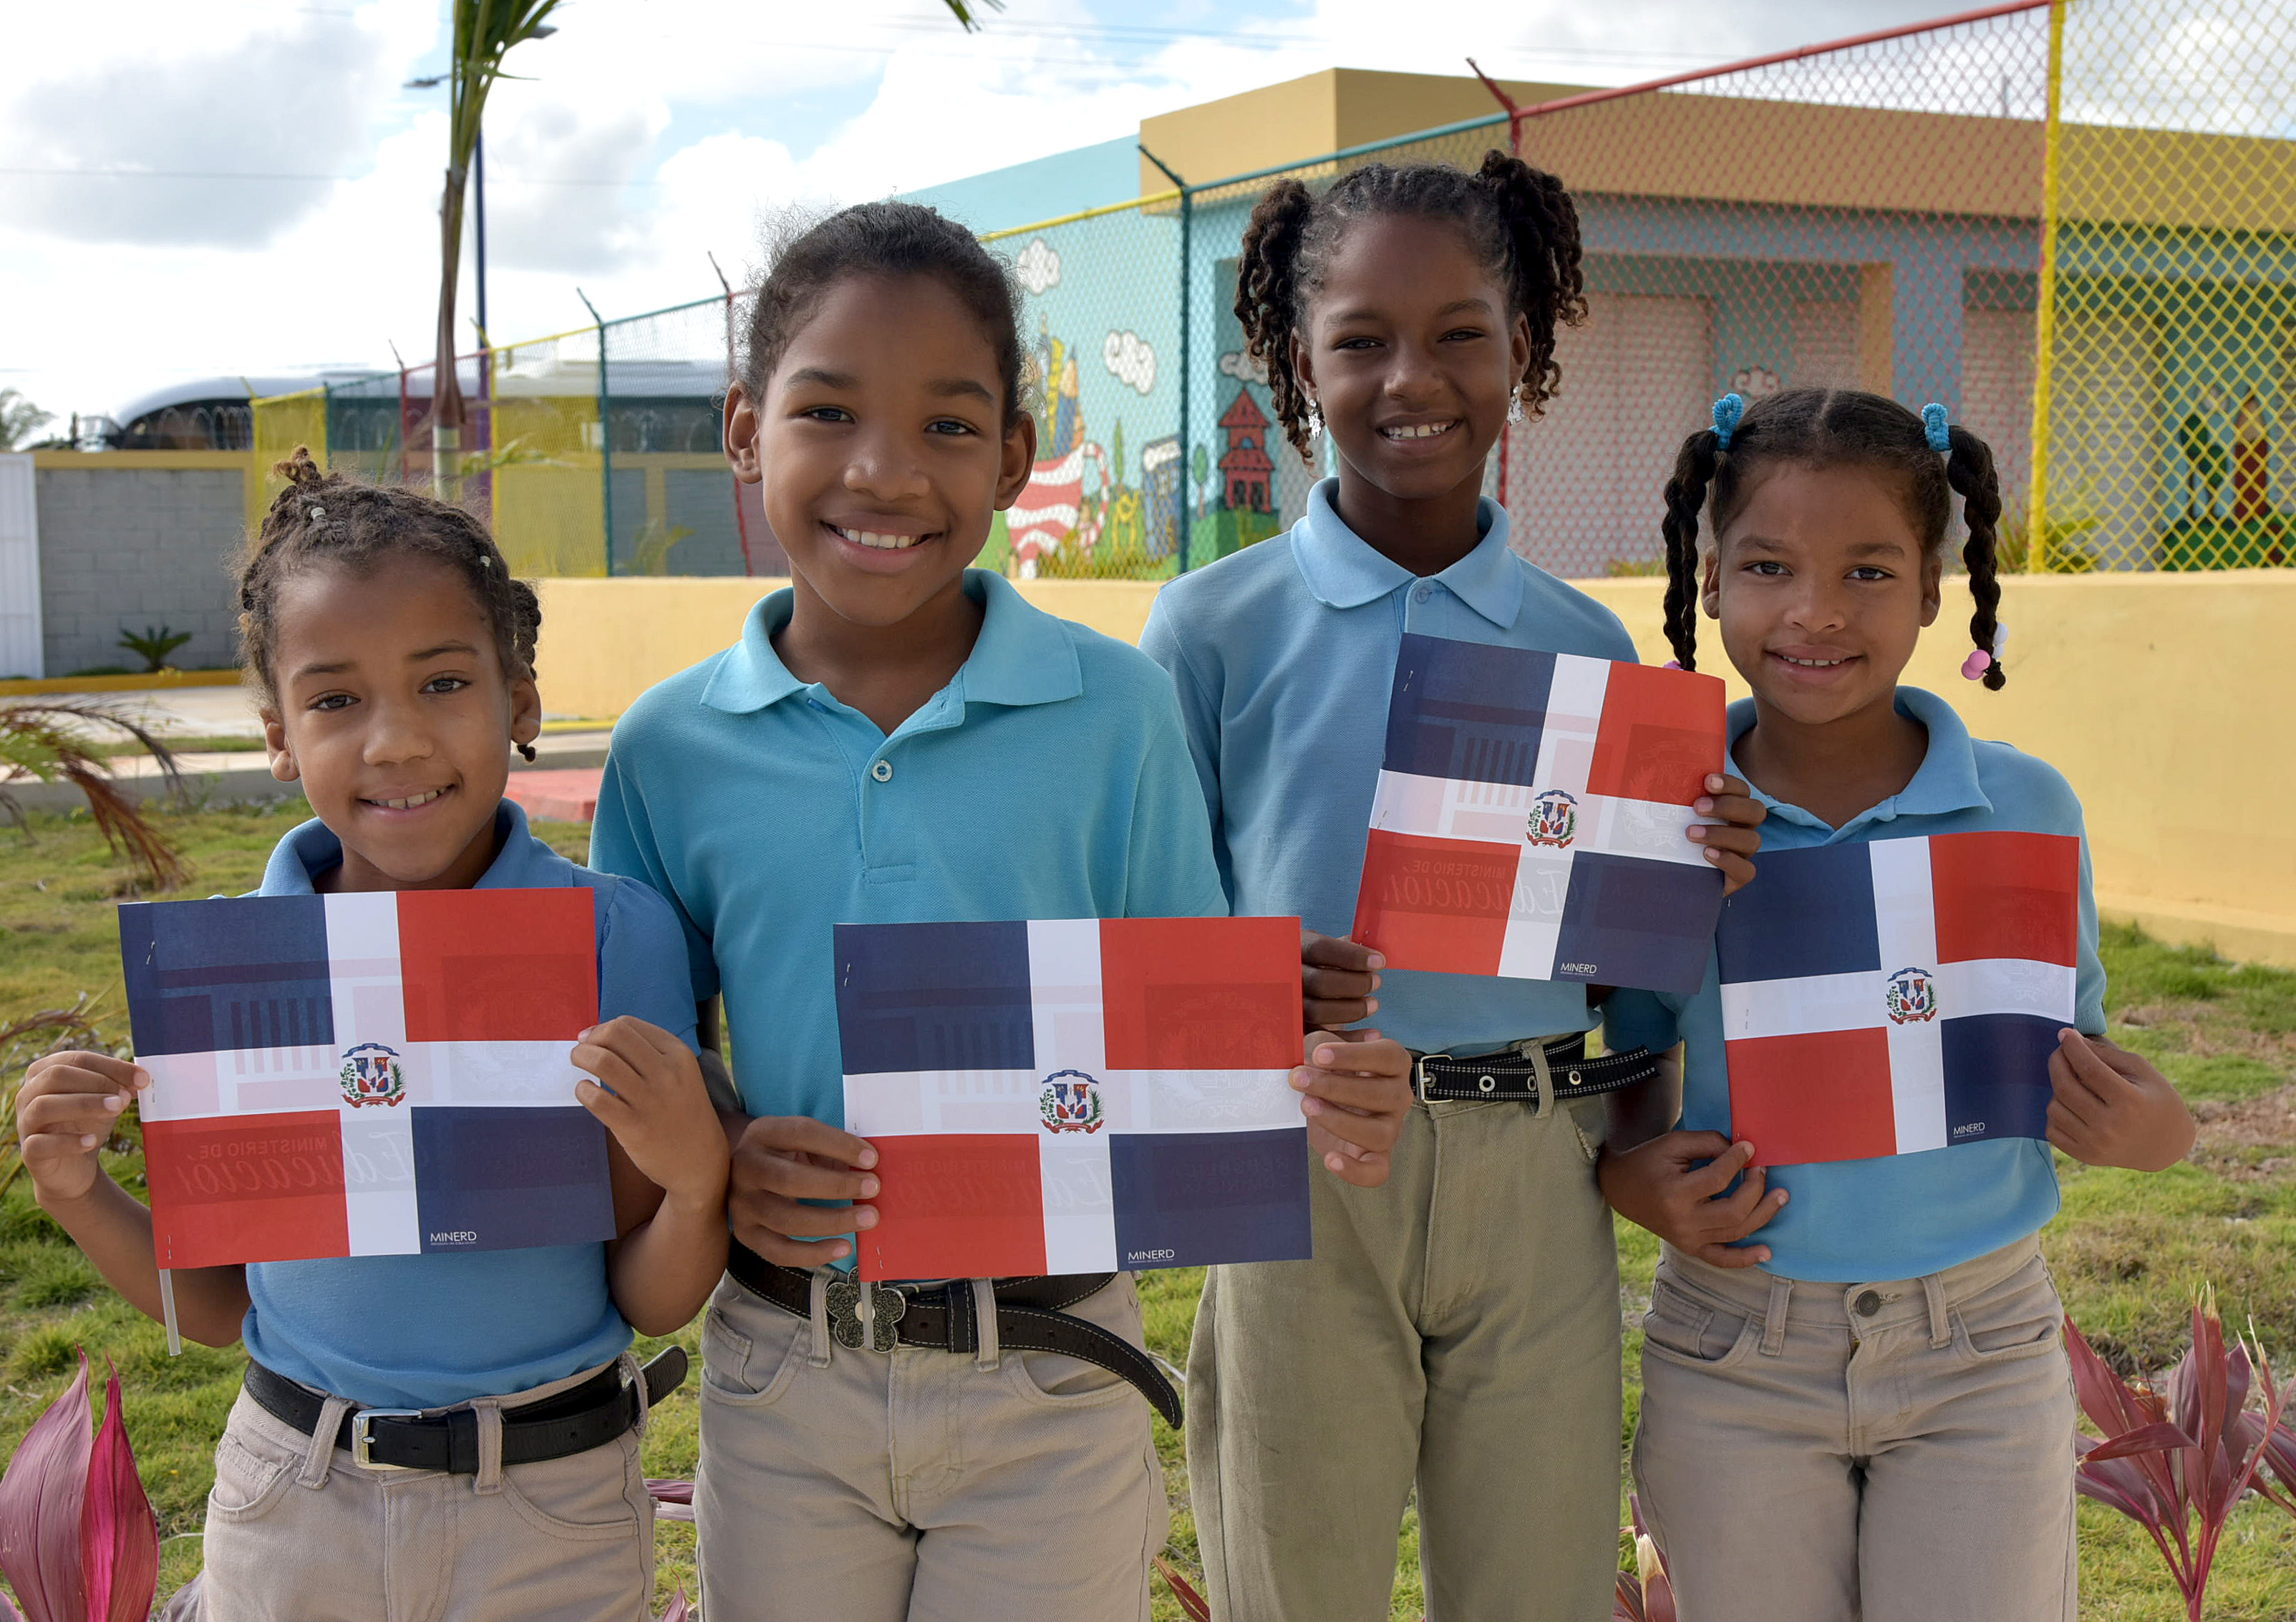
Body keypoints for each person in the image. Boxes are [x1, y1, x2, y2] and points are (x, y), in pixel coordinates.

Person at [586, 200, 1410, 1622]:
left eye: (948, 425)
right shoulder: (669, 747)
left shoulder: (1116, 712)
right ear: (743, 431)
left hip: (1050, 1369)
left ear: (1016, 456)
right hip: (787, 1372)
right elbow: (646, 1064)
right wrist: (723, 1145)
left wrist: (1311, 1073)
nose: (883, 469)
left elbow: (1188, 1038)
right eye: (827, 411)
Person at [1136, 152, 1768, 1622]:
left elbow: (1629, 973)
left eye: (1459, 333)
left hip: (1537, 1172)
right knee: (1295, 1583)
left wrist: (1696, 865)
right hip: (1300, 1171)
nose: (1409, 377)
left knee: (1537, 1582)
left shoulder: (1585, 644)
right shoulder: (1209, 628)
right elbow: (1147, 923)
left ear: (1521, 349)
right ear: (1299, 365)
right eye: (1360, 338)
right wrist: (1251, 986)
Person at [14, 454, 727, 1622]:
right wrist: (78, 1191)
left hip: (549, 1509)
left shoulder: (613, 936)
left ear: (521, 701)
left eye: (443, 681)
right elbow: (220, 1307)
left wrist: (698, 1183)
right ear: (279, 735)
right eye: (336, 700)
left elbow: (647, 1295)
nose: (394, 740)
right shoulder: (237, 963)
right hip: (296, 1500)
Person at [1602, 387, 2196, 1622]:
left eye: (1868, 571)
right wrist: (1627, 1173)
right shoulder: (1662, 812)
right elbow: (1628, 1061)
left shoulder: (2026, 806)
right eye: (1769, 566)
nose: (1816, 610)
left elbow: (2075, 1050)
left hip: (1981, 1348)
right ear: (1709, 580)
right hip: (1735, 1348)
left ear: (1933, 586)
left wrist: (2157, 1130)